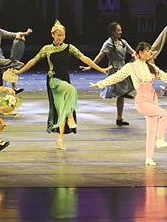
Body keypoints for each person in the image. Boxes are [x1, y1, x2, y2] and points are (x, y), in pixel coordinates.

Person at [14, 20, 110, 150]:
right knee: (71, 90)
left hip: (65, 79)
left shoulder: (69, 47)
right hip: (53, 80)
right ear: (52, 35)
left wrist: (100, 69)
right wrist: (20, 71)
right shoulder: (47, 49)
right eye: (58, 35)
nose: (61, 38)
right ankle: (71, 118)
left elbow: (84, 58)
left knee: (62, 109)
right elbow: (33, 61)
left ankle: (60, 139)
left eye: (63, 35)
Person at [90, 42, 167, 165]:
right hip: (142, 100)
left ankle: (149, 157)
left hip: (153, 98)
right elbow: (116, 77)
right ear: (140, 53)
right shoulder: (131, 66)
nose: (149, 53)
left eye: (150, 51)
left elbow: (165, 77)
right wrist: (100, 84)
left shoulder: (151, 67)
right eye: (147, 51)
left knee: (151, 130)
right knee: (165, 114)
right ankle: (160, 139)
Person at [83, 22, 137, 126]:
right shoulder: (108, 43)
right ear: (112, 32)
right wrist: (91, 66)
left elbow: (133, 53)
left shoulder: (123, 42)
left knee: (122, 94)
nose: (120, 32)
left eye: (121, 30)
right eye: (118, 30)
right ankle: (120, 110)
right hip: (114, 69)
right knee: (120, 93)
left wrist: (138, 59)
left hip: (123, 68)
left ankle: (120, 117)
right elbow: (100, 55)